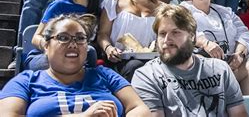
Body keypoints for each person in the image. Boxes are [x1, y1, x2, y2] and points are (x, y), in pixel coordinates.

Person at [0, 14, 150, 116]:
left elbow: (138, 107)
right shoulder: (26, 81)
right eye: (63, 38)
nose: (73, 44)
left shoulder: (104, 74)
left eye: (80, 38)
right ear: (46, 46)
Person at [131, 4, 248, 116]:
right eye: (162, 34)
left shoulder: (220, 69)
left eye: (175, 32)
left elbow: (239, 113)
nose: (167, 40)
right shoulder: (146, 76)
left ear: (192, 36)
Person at [180, 0, 249, 95]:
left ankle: (247, 111)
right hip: (203, 63)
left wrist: (239, 54)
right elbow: (183, 31)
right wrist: (205, 43)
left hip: (231, 63)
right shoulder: (183, 10)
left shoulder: (226, 11)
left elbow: (244, 33)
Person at [25, 0, 100, 71]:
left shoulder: (97, 11)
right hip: (45, 56)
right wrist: (53, 48)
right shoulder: (59, 5)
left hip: (77, 57)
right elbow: (36, 38)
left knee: (90, 52)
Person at [98, 0, 164, 81]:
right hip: (119, 60)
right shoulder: (115, 1)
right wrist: (108, 49)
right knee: (136, 66)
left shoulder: (162, 9)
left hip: (151, 60)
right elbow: (103, 34)